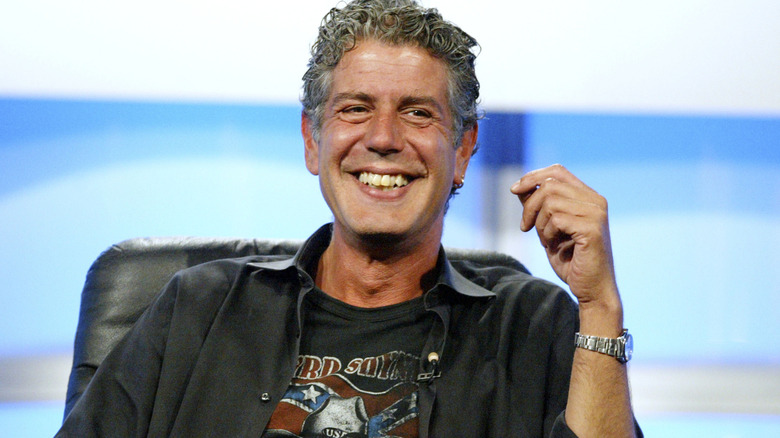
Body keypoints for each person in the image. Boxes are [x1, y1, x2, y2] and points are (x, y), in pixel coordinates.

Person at [57, 0, 641, 436]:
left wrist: (600, 307)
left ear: (463, 149)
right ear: (314, 141)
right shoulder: (198, 307)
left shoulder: (531, 324)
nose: (383, 139)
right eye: (356, 108)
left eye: (417, 113)